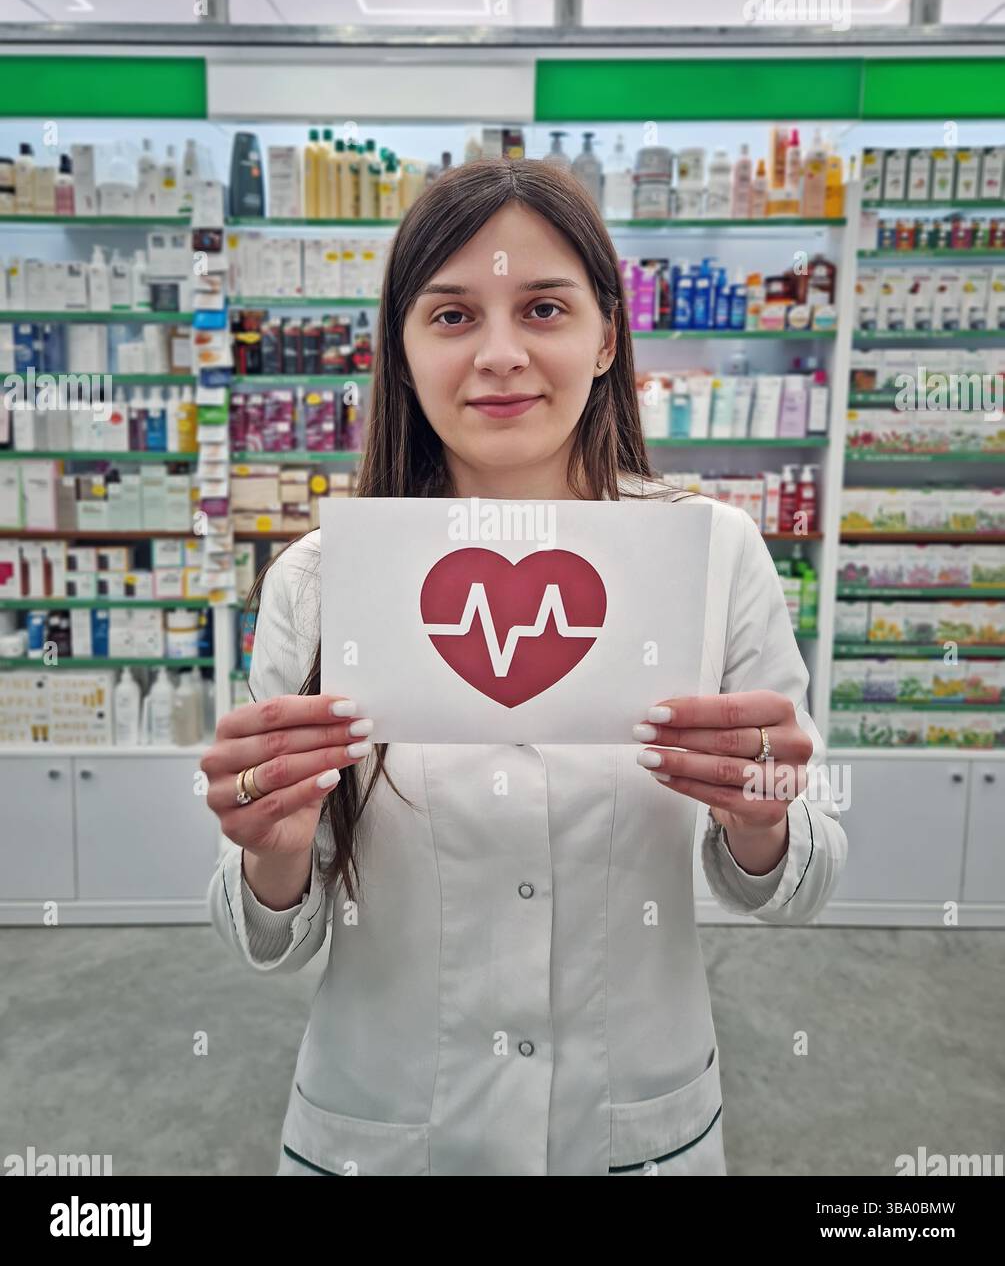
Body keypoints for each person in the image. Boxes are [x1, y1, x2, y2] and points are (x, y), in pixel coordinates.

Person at [204, 156, 847, 1176]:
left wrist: (761, 814)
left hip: (635, 1124)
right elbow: (267, 937)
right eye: (452, 316)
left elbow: (798, 885)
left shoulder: (713, 555)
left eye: (543, 307)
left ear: (605, 339)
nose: (500, 354)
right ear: (403, 351)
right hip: (384, 1125)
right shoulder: (320, 582)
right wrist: (275, 851)